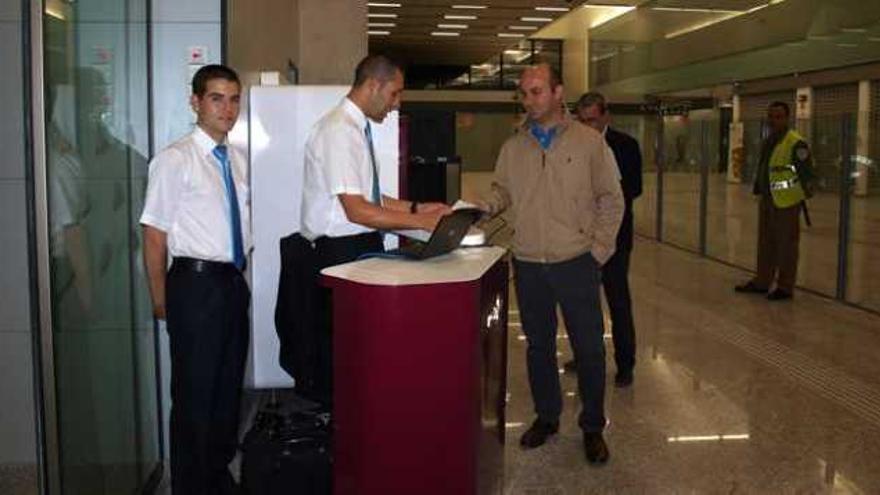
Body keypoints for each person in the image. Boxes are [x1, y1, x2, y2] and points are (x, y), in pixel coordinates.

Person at [478, 64, 624, 464]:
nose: (528, 100)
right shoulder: (514, 146)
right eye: (524, 93)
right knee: (538, 347)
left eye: (536, 92)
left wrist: (597, 253)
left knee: (590, 350)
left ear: (559, 92)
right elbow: (502, 190)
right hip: (527, 263)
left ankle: (593, 426)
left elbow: (612, 200)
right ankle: (547, 417)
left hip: (576, 261)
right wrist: (486, 205)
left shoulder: (590, 143)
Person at [300, 54, 450, 406]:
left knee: (358, 350)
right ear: (374, 85)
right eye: (394, 93)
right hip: (339, 253)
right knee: (344, 355)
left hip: (354, 247)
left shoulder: (353, 128)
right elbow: (357, 211)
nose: (396, 104)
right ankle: (344, 432)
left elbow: (368, 196)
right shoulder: (338, 130)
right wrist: (422, 223)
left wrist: (417, 208)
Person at [141, 64, 250, 494]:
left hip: (230, 284)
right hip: (194, 285)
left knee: (226, 393)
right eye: (217, 98)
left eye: (234, 98)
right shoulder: (174, 159)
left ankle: (218, 478)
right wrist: (161, 299)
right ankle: (191, 486)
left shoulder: (236, 160)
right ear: (196, 102)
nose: (228, 108)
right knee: (194, 396)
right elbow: (153, 237)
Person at [562, 92, 642, 388]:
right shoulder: (572, 145)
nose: (587, 127)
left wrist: (601, 194)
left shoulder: (625, 146)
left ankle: (625, 364)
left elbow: (633, 188)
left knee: (617, 300)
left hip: (615, 238)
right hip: (581, 237)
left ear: (606, 117)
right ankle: (586, 356)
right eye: (582, 121)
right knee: (583, 302)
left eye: (592, 121)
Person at [735, 101, 814, 300]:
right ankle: (762, 281)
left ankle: (785, 287)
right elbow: (766, 167)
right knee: (765, 243)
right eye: (771, 116)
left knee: (786, 245)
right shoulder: (770, 140)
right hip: (768, 200)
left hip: (786, 202)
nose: (773, 120)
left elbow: (806, 176)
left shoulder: (796, 142)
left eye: (778, 117)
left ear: (787, 118)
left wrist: (792, 194)